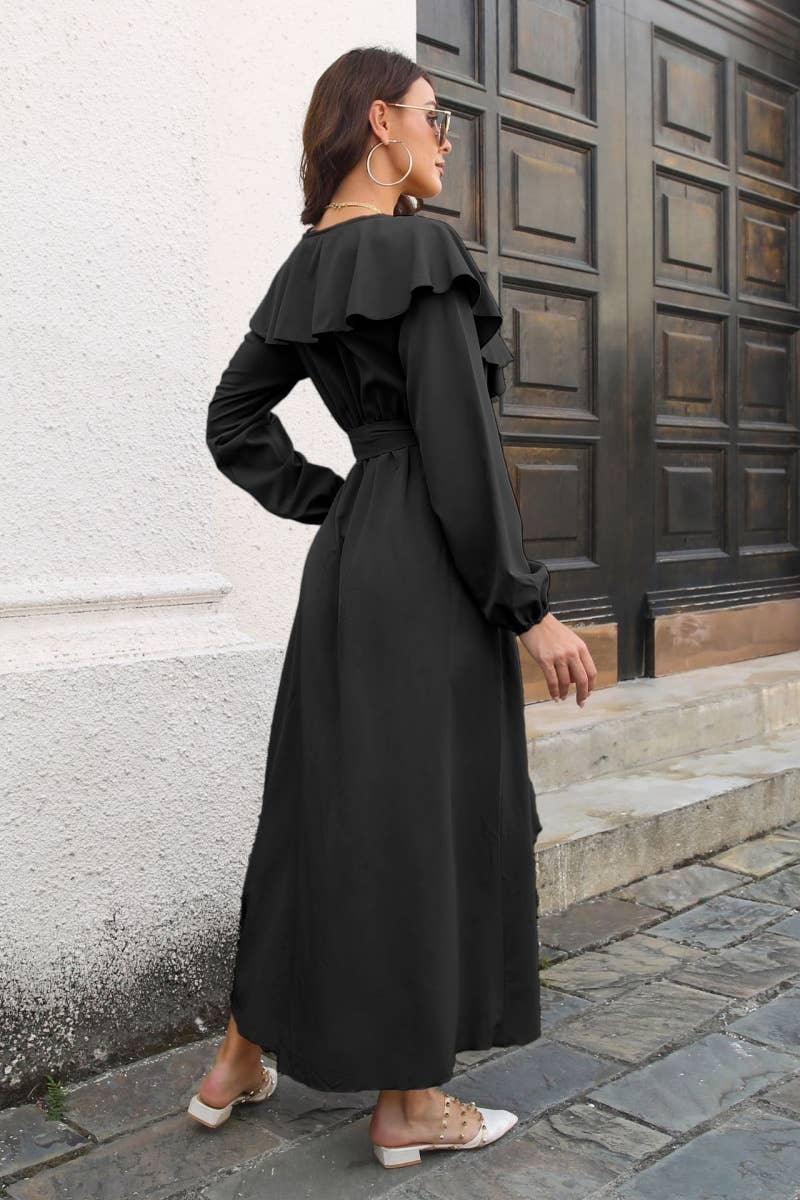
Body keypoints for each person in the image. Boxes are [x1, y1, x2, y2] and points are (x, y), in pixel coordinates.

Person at [189, 46, 597, 1168]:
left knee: (324, 803)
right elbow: (459, 450)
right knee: (418, 816)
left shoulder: (307, 265)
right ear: (380, 123)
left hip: (353, 565)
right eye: (432, 117)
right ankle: (409, 1105)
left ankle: (236, 1058)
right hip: (427, 571)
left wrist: (341, 501)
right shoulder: (418, 249)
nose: (443, 139)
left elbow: (231, 422)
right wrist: (529, 610)